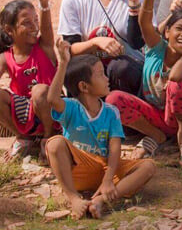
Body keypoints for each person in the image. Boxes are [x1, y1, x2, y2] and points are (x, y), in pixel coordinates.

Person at [46, 39, 155, 220]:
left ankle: (101, 200)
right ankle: (74, 198)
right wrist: (63, 63)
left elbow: (115, 147)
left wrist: (108, 179)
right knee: (54, 143)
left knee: (148, 166)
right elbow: (51, 99)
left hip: (105, 169)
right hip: (78, 170)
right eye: (101, 75)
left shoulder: (111, 112)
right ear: (84, 86)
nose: (107, 78)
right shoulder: (71, 107)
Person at [106, 0, 182, 164]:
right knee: (113, 99)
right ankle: (155, 135)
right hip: (152, 116)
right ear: (167, 32)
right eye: (179, 28)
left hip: (179, 119)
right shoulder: (156, 48)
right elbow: (144, 24)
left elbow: (176, 76)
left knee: (177, 84)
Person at [0, 0, 59, 159]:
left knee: (39, 91)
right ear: (9, 30)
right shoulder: (6, 57)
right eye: (26, 23)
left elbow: (47, 29)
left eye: (35, 20)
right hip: (25, 112)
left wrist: (44, 3)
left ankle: (48, 137)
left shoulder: (44, 46)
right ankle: (22, 137)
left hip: (53, 107)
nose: (34, 26)